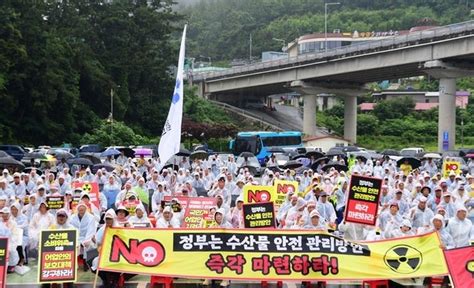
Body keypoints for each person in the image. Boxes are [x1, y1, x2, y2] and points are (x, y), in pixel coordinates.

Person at [70, 202, 98, 271]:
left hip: (87, 237)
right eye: (80, 209)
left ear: (86, 209)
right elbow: (71, 228)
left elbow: (91, 230)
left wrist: (86, 240)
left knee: (89, 244)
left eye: (83, 209)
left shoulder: (91, 217)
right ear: (77, 209)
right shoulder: (72, 217)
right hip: (76, 237)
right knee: (73, 244)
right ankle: (73, 265)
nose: (81, 211)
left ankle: (86, 262)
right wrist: (76, 239)